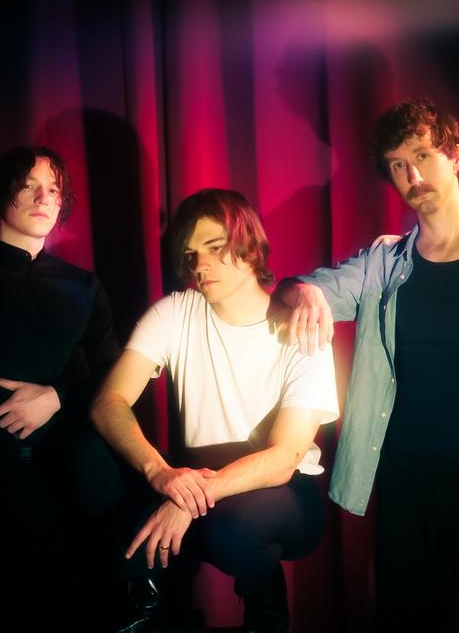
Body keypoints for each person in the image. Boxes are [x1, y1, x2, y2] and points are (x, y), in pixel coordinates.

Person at [275, 98, 459, 631]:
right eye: (398, 164)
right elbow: (298, 289)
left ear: (456, 156)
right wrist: (305, 292)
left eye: (423, 155)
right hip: (403, 479)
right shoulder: (383, 260)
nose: (413, 175)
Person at [87, 188, 339, 633]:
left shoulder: (302, 327)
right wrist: (160, 474)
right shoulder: (174, 313)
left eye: (214, 247)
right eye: (191, 254)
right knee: (113, 506)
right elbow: (109, 403)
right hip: (194, 474)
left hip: (282, 487)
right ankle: (148, 604)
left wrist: (189, 502)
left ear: (250, 247)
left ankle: (265, 608)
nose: (199, 265)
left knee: (232, 530)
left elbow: (284, 458)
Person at [0, 146, 120, 631]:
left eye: (53, 189)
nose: (43, 198)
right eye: (29, 185)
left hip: (87, 481)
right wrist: (68, 388)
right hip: (7, 481)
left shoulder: (85, 286)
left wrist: (57, 396)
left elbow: (116, 379)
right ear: (2, 193)